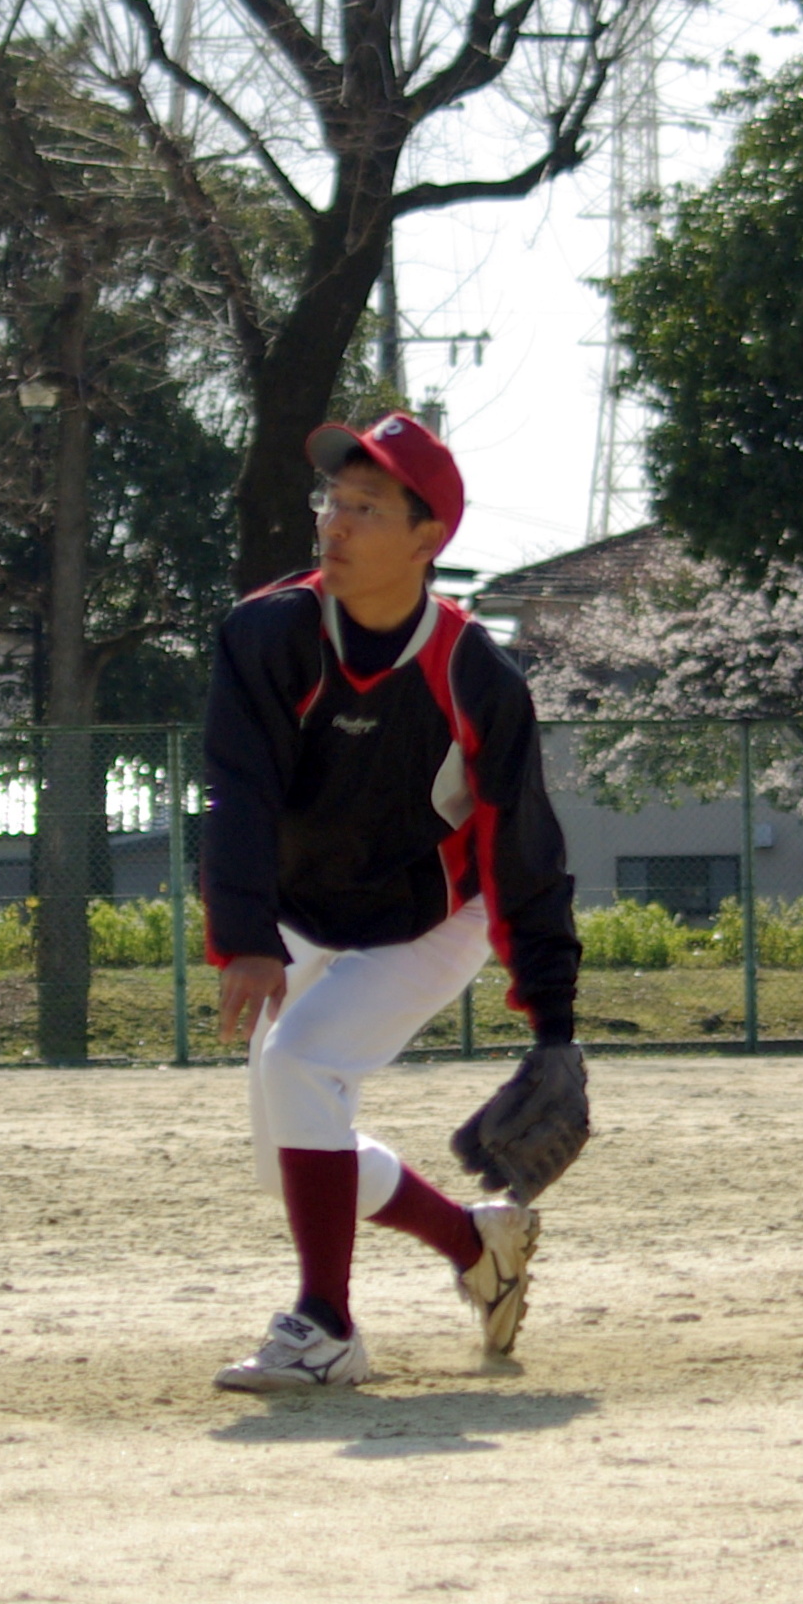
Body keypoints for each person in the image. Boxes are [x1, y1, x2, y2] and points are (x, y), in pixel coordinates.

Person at [197, 413, 584, 1391]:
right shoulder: (267, 634)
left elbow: (525, 850)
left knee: (300, 1065)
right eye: (333, 499)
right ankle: (472, 1243)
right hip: (300, 911)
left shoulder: (475, 677)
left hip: (429, 919)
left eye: (366, 507)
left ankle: (324, 1329)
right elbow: (237, 789)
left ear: (426, 538)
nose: (335, 521)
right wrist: (246, 935)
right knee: (292, 1155)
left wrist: (554, 1027)